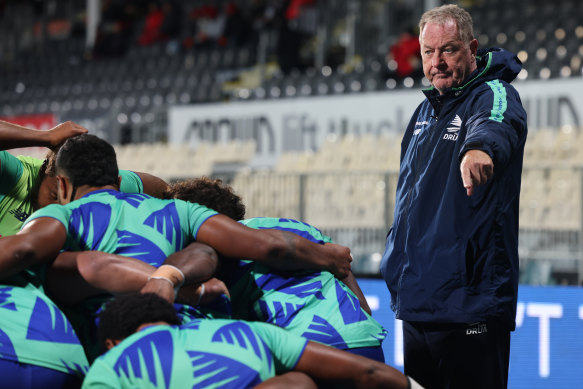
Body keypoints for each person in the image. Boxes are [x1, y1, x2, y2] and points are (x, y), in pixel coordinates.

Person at [0, 134, 351, 358]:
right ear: (121, 181)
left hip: (112, 356)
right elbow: (266, 246)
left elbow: (24, 252)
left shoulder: (59, 217)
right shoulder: (179, 210)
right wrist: (326, 255)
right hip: (189, 343)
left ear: (61, 185)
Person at [380, 4, 527, 389]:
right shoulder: (422, 113)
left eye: (448, 50)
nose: (437, 62)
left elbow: (496, 124)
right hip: (418, 303)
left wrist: (479, 149)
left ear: (472, 48)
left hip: (469, 304)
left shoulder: (493, 94)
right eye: (429, 52)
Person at [165, 177, 387, 362]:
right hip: (364, 343)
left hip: (307, 351)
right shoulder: (298, 227)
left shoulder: (210, 252)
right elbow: (363, 305)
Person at [81, 292, 422, 389]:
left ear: (113, 342)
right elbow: (370, 374)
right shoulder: (250, 331)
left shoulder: (109, 365)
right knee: (297, 382)